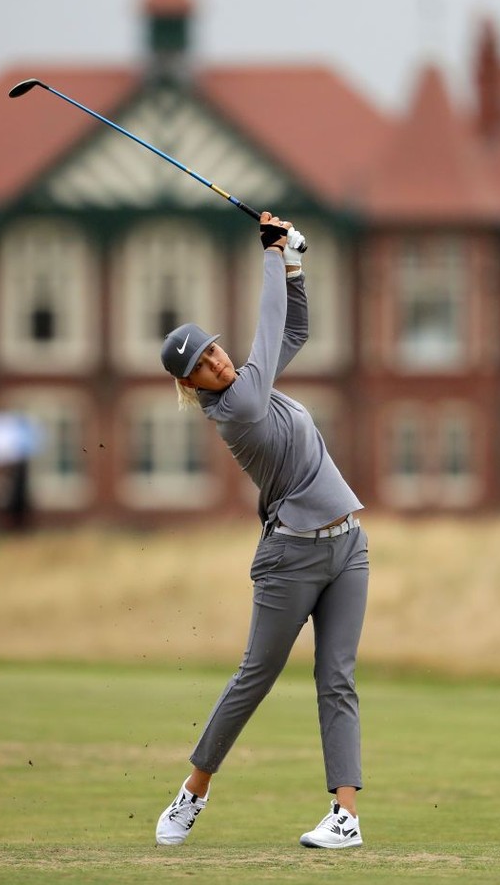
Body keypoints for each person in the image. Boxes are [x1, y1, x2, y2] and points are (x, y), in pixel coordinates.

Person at [156, 212, 369, 850]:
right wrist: (274, 252)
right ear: (190, 385)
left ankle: (345, 816)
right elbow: (272, 325)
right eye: (201, 363)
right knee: (256, 674)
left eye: (214, 349)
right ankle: (193, 791)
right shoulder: (239, 408)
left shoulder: (255, 380)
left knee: (338, 677)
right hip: (291, 558)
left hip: (349, 544)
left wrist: (294, 265)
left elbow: (294, 325)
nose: (216, 360)